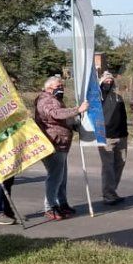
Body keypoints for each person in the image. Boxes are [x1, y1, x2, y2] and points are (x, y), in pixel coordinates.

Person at [34, 74, 88, 220]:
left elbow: (61, 120)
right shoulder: (46, 100)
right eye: (58, 86)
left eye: (62, 86)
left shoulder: (56, 100)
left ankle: (62, 203)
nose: (61, 89)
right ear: (48, 88)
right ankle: (50, 207)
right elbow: (55, 114)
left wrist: (73, 124)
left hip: (61, 144)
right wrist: (77, 109)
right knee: (55, 177)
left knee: (61, 177)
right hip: (53, 144)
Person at [97, 72, 128, 205]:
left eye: (110, 80)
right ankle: (108, 194)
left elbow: (123, 116)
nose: (108, 83)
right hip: (105, 137)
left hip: (121, 136)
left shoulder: (118, 98)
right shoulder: (97, 98)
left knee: (120, 163)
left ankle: (112, 190)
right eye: (106, 80)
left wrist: (125, 133)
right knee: (108, 167)